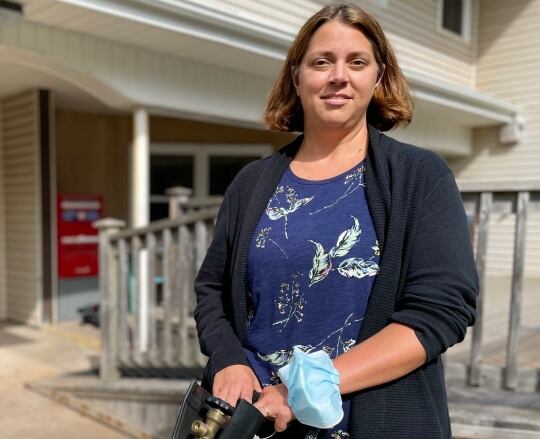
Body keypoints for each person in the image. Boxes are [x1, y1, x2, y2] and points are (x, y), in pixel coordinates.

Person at [193, 3, 478, 438]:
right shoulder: (252, 184)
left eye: (357, 62)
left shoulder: (421, 178)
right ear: (297, 77)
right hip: (256, 424)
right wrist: (228, 360)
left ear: (378, 77)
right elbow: (211, 291)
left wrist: (302, 389)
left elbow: (440, 311)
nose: (338, 76)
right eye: (321, 61)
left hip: (374, 422)